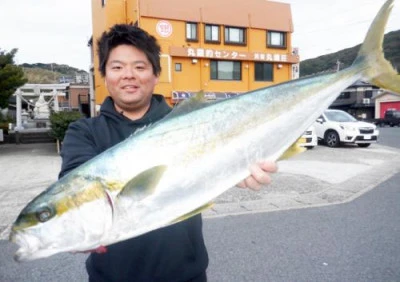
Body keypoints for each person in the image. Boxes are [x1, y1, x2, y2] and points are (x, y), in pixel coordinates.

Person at [59, 24, 277, 282]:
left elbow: (222, 156)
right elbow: (74, 188)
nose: (128, 75)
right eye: (117, 67)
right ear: (104, 75)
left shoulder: (192, 122)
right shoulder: (84, 131)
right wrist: (76, 221)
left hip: (187, 276)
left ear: (155, 74)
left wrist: (237, 168)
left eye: (139, 67)